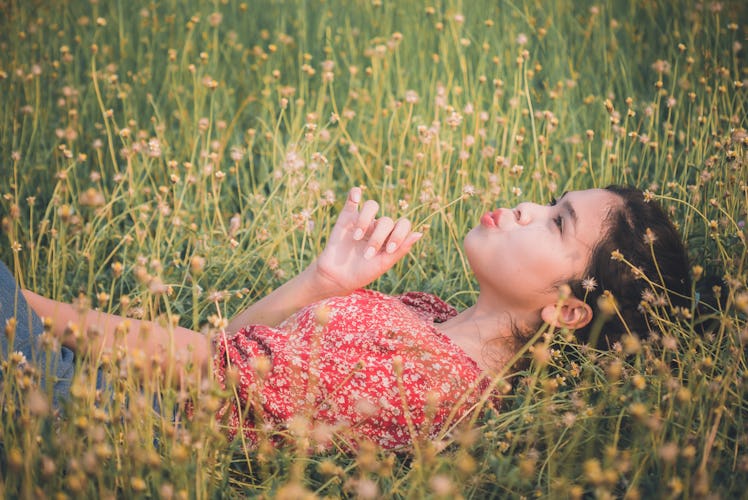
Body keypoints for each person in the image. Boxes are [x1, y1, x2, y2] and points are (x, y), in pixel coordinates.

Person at [2, 185, 691, 450]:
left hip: (100, 427)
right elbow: (227, 351)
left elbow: (201, 371)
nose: (522, 209)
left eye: (554, 222)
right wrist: (321, 280)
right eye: (547, 200)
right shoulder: (429, 317)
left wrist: (24, 308)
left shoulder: (434, 378)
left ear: (570, 310)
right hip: (107, 394)